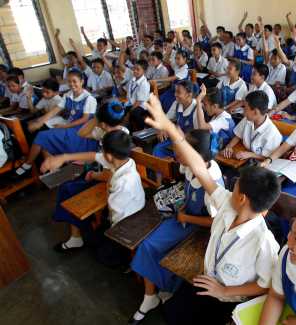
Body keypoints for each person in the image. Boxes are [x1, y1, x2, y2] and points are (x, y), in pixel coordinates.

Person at [143, 95, 281, 325]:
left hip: (229, 300)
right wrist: (170, 128)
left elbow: (265, 284)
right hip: (208, 279)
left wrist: (224, 292)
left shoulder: (264, 242)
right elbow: (198, 166)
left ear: (242, 198)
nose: (229, 188)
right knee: (172, 314)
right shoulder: (228, 203)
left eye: (234, 186)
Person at [128, 128, 225, 325]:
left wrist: (186, 217)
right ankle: (151, 297)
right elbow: (185, 185)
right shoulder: (190, 166)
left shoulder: (212, 183)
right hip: (184, 215)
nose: (176, 150)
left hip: (199, 228)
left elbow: (216, 221)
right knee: (149, 245)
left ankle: (160, 291)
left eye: (182, 147)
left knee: (154, 247)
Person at [41, 129, 144, 252]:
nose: (101, 153)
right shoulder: (124, 160)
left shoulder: (123, 183)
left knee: (94, 244)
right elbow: (93, 156)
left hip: (125, 225)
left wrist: (103, 223)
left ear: (109, 156)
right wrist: (63, 157)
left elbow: (116, 216)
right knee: (93, 235)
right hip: (127, 209)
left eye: (102, 149)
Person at [15, 70, 98, 178]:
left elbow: (85, 119)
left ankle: (28, 163)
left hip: (82, 133)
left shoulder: (89, 98)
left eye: (75, 81)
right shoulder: (68, 95)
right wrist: (39, 122)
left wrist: (64, 126)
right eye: (69, 81)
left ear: (82, 81)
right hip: (70, 128)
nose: (72, 84)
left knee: (42, 136)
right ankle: (53, 170)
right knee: (45, 140)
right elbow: (55, 110)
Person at [221, 91, 281, 162]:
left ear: (255, 112)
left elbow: (269, 158)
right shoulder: (248, 119)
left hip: (259, 166)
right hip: (243, 157)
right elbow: (238, 136)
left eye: (245, 109)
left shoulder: (273, 134)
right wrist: (229, 146)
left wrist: (251, 155)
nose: (243, 112)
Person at [153, 80, 197, 158]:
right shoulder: (177, 103)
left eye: (178, 92)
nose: (175, 95)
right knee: (158, 149)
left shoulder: (196, 108)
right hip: (176, 140)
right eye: (175, 91)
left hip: (191, 143)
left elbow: (199, 135)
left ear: (189, 95)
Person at [195, 86, 235, 154]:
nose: (204, 107)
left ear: (215, 106)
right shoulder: (217, 115)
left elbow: (202, 126)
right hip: (216, 148)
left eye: (205, 104)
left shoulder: (224, 120)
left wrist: (198, 101)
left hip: (222, 153)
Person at [126, 59, 151, 131]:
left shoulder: (144, 84)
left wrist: (129, 111)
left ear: (144, 71)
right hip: (132, 103)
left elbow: (139, 102)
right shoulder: (132, 80)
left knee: (134, 113)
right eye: (134, 69)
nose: (135, 71)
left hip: (141, 105)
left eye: (138, 69)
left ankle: (142, 129)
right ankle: (129, 130)